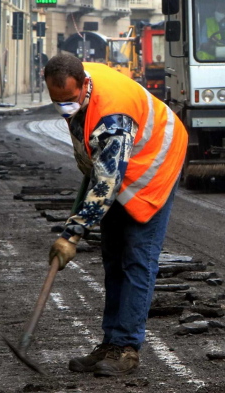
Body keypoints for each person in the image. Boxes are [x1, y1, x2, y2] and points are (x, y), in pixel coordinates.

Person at [44, 53, 187, 377]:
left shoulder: (114, 116)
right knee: (112, 255)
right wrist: (77, 218)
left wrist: (72, 233)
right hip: (119, 161)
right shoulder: (75, 84)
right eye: (57, 102)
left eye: (69, 101)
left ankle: (127, 349)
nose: (65, 107)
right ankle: (110, 342)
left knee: (136, 255)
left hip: (154, 164)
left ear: (84, 85)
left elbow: (107, 184)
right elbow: (95, 164)